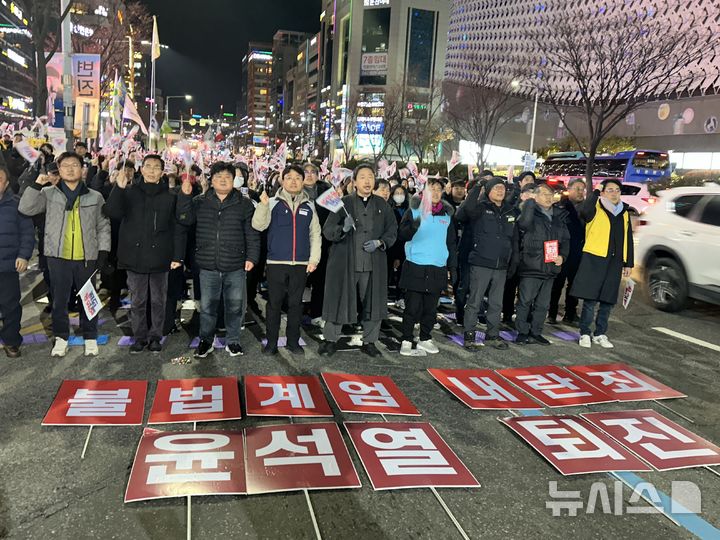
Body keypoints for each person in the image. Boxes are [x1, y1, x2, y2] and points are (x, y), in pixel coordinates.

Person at [19, 151, 111, 358]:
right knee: (59, 301)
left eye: (75, 165)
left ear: (82, 169)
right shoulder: (47, 193)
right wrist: (36, 185)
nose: (70, 168)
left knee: (88, 299)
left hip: (86, 257)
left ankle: (90, 336)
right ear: (59, 170)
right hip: (57, 257)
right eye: (65, 165)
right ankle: (61, 337)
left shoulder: (95, 197)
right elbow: (25, 208)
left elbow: (103, 226)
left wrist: (103, 251)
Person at [177, 161, 260, 358]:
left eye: (227, 177)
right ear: (211, 180)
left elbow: (252, 233)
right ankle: (206, 340)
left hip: (235, 264)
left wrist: (252, 257)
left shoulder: (244, 203)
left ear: (234, 180)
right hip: (207, 264)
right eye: (218, 177)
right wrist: (184, 196)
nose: (223, 180)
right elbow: (184, 219)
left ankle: (233, 341)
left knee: (234, 306)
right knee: (207, 308)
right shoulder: (199, 201)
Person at [103, 154, 185, 354]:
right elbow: (111, 212)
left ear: (162, 172)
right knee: (138, 300)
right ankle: (139, 337)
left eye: (156, 167)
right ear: (141, 169)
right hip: (134, 256)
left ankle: (155, 337)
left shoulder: (171, 195)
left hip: (161, 257)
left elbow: (177, 228)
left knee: (158, 300)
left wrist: (177, 256)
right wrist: (118, 188)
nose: (151, 170)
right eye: (148, 166)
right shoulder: (129, 192)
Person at [319, 163, 397, 357]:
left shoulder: (382, 205)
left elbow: (392, 230)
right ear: (354, 182)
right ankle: (330, 339)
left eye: (370, 176)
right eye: (362, 177)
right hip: (346, 262)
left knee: (373, 302)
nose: (367, 181)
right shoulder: (342, 203)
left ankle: (370, 341)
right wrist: (342, 229)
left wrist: (380, 242)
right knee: (338, 298)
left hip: (373, 263)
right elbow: (328, 231)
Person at [252, 164, 321, 355]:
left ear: (302, 182)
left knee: (296, 305)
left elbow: (315, 234)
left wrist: (313, 259)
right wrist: (263, 206)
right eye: (289, 177)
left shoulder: (309, 205)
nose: (293, 181)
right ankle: (272, 342)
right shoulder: (272, 202)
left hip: (300, 264)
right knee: (274, 304)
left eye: (298, 178)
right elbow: (258, 225)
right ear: (282, 180)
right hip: (276, 263)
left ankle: (293, 341)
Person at [456, 177, 518, 350]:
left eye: (502, 188)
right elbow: (467, 208)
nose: (500, 190)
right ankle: (469, 335)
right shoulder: (480, 208)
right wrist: (477, 186)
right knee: (475, 301)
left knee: (496, 303)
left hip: (501, 265)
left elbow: (513, 239)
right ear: (488, 191)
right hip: (481, 262)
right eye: (496, 187)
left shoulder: (510, 211)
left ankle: (492, 334)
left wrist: (513, 260)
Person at [571, 179, 633, 349]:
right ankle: (585, 332)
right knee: (590, 299)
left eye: (617, 190)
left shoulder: (624, 212)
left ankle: (600, 333)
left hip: (614, 261)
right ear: (603, 192)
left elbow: (628, 238)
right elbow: (583, 211)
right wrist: (596, 192)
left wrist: (628, 263)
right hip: (594, 257)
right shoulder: (595, 208)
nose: (614, 193)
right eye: (610, 190)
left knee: (607, 300)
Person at [398, 179, 457, 356]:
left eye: (439, 189)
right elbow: (402, 234)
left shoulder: (446, 216)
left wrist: (452, 268)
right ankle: (407, 338)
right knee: (412, 307)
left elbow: (451, 243)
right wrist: (414, 225)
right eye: (432, 189)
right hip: (415, 265)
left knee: (431, 308)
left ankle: (425, 337)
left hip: (437, 267)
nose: (436, 193)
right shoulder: (414, 210)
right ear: (424, 192)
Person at [512, 183, 570, 345]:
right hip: (531, 265)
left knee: (543, 304)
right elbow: (523, 224)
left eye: (550, 194)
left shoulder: (559, 216)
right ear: (535, 197)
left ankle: (536, 332)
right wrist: (530, 202)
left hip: (551, 267)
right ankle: (522, 332)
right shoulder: (529, 211)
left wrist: (562, 257)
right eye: (544, 194)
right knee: (525, 302)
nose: (548, 197)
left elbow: (565, 241)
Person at [0, 167, 34, 358]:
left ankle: (11, 341)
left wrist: (24, 255)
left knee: (10, 306)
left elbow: (27, 233)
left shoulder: (16, 205)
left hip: (7, 266)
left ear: (6, 184)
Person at [548, 178, 586, 324]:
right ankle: (552, 313)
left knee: (574, 285)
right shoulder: (560, 207)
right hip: (561, 251)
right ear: (569, 189)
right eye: (577, 188)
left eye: (582, 189)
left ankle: (570, 313)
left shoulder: (586, 208)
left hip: (578, 252)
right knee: (557, 284)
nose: (580, 192)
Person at [302, 162, 333, 325]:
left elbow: (337, 214)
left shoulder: (326, 190)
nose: (309, 175)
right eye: (305, 172)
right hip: (299, 242)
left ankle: (317, 313)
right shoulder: (294, 189)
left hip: (322, 242)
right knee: (297, 281)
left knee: (320, 281)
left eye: (313, 171)